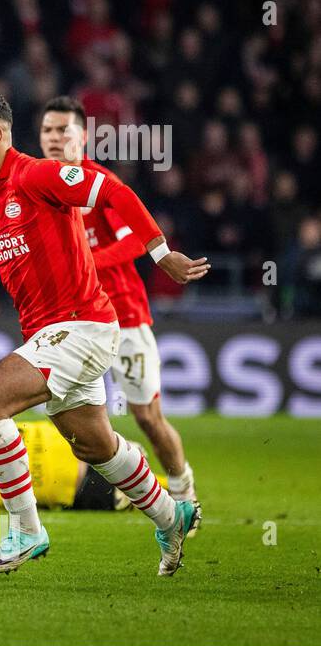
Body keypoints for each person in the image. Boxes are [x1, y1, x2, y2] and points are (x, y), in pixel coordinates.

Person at [0, 91, 207, 577]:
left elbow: (113, 191)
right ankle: (172, 515)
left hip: (85, 324)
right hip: (49, 334)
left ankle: (26, 529)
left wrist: (160, 252)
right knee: (94, 447)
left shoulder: (37, 175)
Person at [39, 96, 199, 528]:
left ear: (83, 137)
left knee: (146, 415)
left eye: (63, 131)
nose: (55, 138)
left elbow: (134, 242)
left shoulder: (99, 182)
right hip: (70, 323)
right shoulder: (38, 184)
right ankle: (125, 490)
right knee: (75, 420)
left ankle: (183, 489)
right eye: (48, 131)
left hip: (123, 316)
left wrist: (86, 259)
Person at [0, 420, 168, 512]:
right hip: (75, 440)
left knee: (143, 495)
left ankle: (156, 491)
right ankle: (123, 452)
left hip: (72, 486)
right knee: (130, 475)